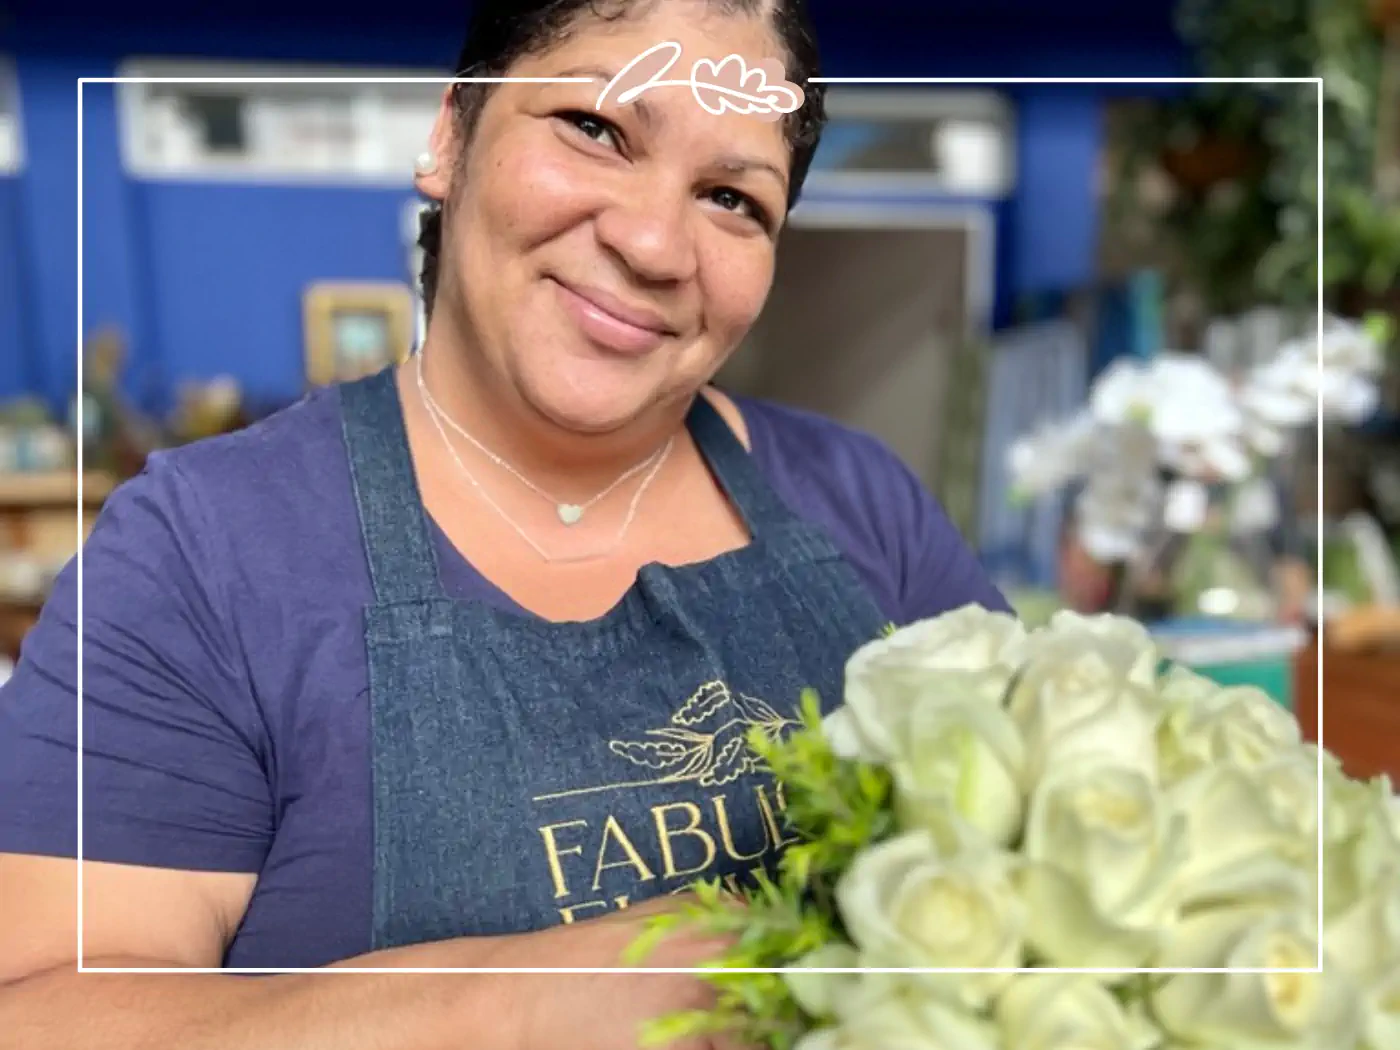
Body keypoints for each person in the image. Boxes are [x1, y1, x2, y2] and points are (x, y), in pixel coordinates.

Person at [0, 0, 1008, 1046]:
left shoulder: (862, 502)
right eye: (596, 129)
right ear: (450, 134)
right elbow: (37, 1016)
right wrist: (529, 997)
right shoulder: (200, 555)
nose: (655, 243)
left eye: (729, 197)